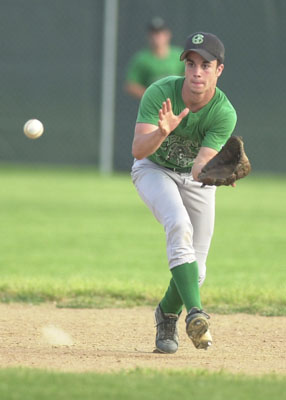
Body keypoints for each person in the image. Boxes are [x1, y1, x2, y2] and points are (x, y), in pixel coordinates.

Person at [131, 32, 237, 353]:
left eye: (206, 65)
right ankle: (195, 313)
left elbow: (198, 167)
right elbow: (138, 150)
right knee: (178, 224)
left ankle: (167, 313)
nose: (197, 72)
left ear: (219, 70)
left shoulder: (223, 112)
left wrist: (216, 171)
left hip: (193, 179)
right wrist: (162, 133)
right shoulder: (160, 92)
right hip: (154, 169)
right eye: (191, 64)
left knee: (198, 270)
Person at [125, 17, 185, 100]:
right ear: (148, 36)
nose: (157, 37)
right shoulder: (141, 59)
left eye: (160, 33)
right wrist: (151, 96)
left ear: (168, 35)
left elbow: (187, 75)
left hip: (177, 102)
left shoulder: (179, 55)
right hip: (153, 106)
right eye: (153, 34)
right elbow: (131, 85)